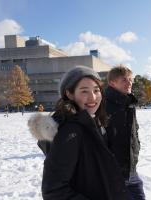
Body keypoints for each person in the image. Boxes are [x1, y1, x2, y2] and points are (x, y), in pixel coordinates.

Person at [28, 66, 129, 200]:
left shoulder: (94, 122)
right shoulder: (69, 131)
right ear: (69, 94)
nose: (93, 97)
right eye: (84, 91)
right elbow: (53, 190)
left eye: (96, 90)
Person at [105, 65, 146, 200]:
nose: (129, 83)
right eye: (124, 80)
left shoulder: (128, 102)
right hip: (113, 170)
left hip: (130, 167)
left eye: (130, 79)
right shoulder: (103, 104)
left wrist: (136, 149)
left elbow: (134, 131)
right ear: (112, 83)